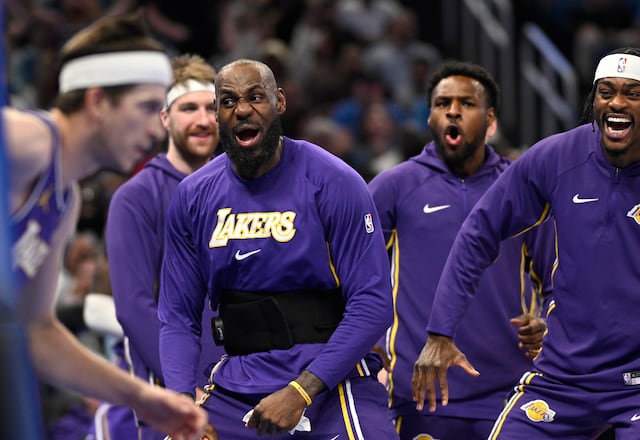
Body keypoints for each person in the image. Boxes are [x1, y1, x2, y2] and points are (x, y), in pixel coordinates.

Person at [412, 47, 640, 440]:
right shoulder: (559, 156)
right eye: (606, 92)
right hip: (561, 379)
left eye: (633, 93)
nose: (617, 103)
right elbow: (480, 230)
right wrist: (441, 331)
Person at [157, 58, 398, 439]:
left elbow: (372, 303)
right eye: (229, 101)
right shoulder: (193, 196)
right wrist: (182, 406)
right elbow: (178, 318)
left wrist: (301, 391)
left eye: (256, 97)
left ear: (280, 103)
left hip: (332, 382)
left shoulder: (335, 181)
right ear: (218, 114)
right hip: (236, 385)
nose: (242, 110)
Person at [4, 11, 207, 439]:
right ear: (98, 102)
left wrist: (141, 396)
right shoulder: (27, 140)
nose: (157, 129)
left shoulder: (64, 198)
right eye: (149, 108)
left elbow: (37, 332)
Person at [367, 60, 551, 439]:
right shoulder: (393, 187)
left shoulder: (521, 190)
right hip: (418, 395)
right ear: (430, 116)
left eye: (467, 103)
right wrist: (366, 341)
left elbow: (560, 279)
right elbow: (351, 273)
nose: (452, 110)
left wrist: (548, 323)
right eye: (441, 103)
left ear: (491, 120)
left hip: (510, 393)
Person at [98, 53, 225, 440]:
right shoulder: (135, 198)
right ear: (165, 118)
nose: (203, 120)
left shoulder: (245, 188)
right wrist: (183, 389)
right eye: (189, 108)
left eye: (211, 108)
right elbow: (134, 307)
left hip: (243, 380)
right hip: (172, 388)